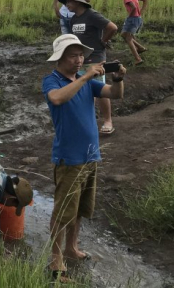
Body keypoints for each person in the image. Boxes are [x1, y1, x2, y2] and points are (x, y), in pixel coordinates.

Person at [42, 34, 126, 282]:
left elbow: (114, 93)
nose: (79, 60)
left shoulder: (85, 80)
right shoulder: (52, 80)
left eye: (81, 55)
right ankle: (56, 261)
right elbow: (57, 98)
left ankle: (72, 247)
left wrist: (119, 79)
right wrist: (88, 76)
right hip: (69, 159)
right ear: (60, 57)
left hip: (91, 155)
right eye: (73, 55)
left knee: (78, 208)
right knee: (62, 212)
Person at [61, 0, 119, 135]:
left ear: (77, 2)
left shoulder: (92, 15)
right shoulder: (73, 19)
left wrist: (103, 41)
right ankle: (88, 121)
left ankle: (108, 121)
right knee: (84, 91)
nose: (67, 4)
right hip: (81, 60)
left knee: (100, 91)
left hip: (96, 58)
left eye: (69, 1)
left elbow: (112, 27)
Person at [116, 0, 148, 65]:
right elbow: (145, 0)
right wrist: (141, 12)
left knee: (128, 39)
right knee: (123, 34)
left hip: (132, 19)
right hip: (138, 18)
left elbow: (133, 7)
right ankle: (140, 47)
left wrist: (129, 17)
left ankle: (138, 59)